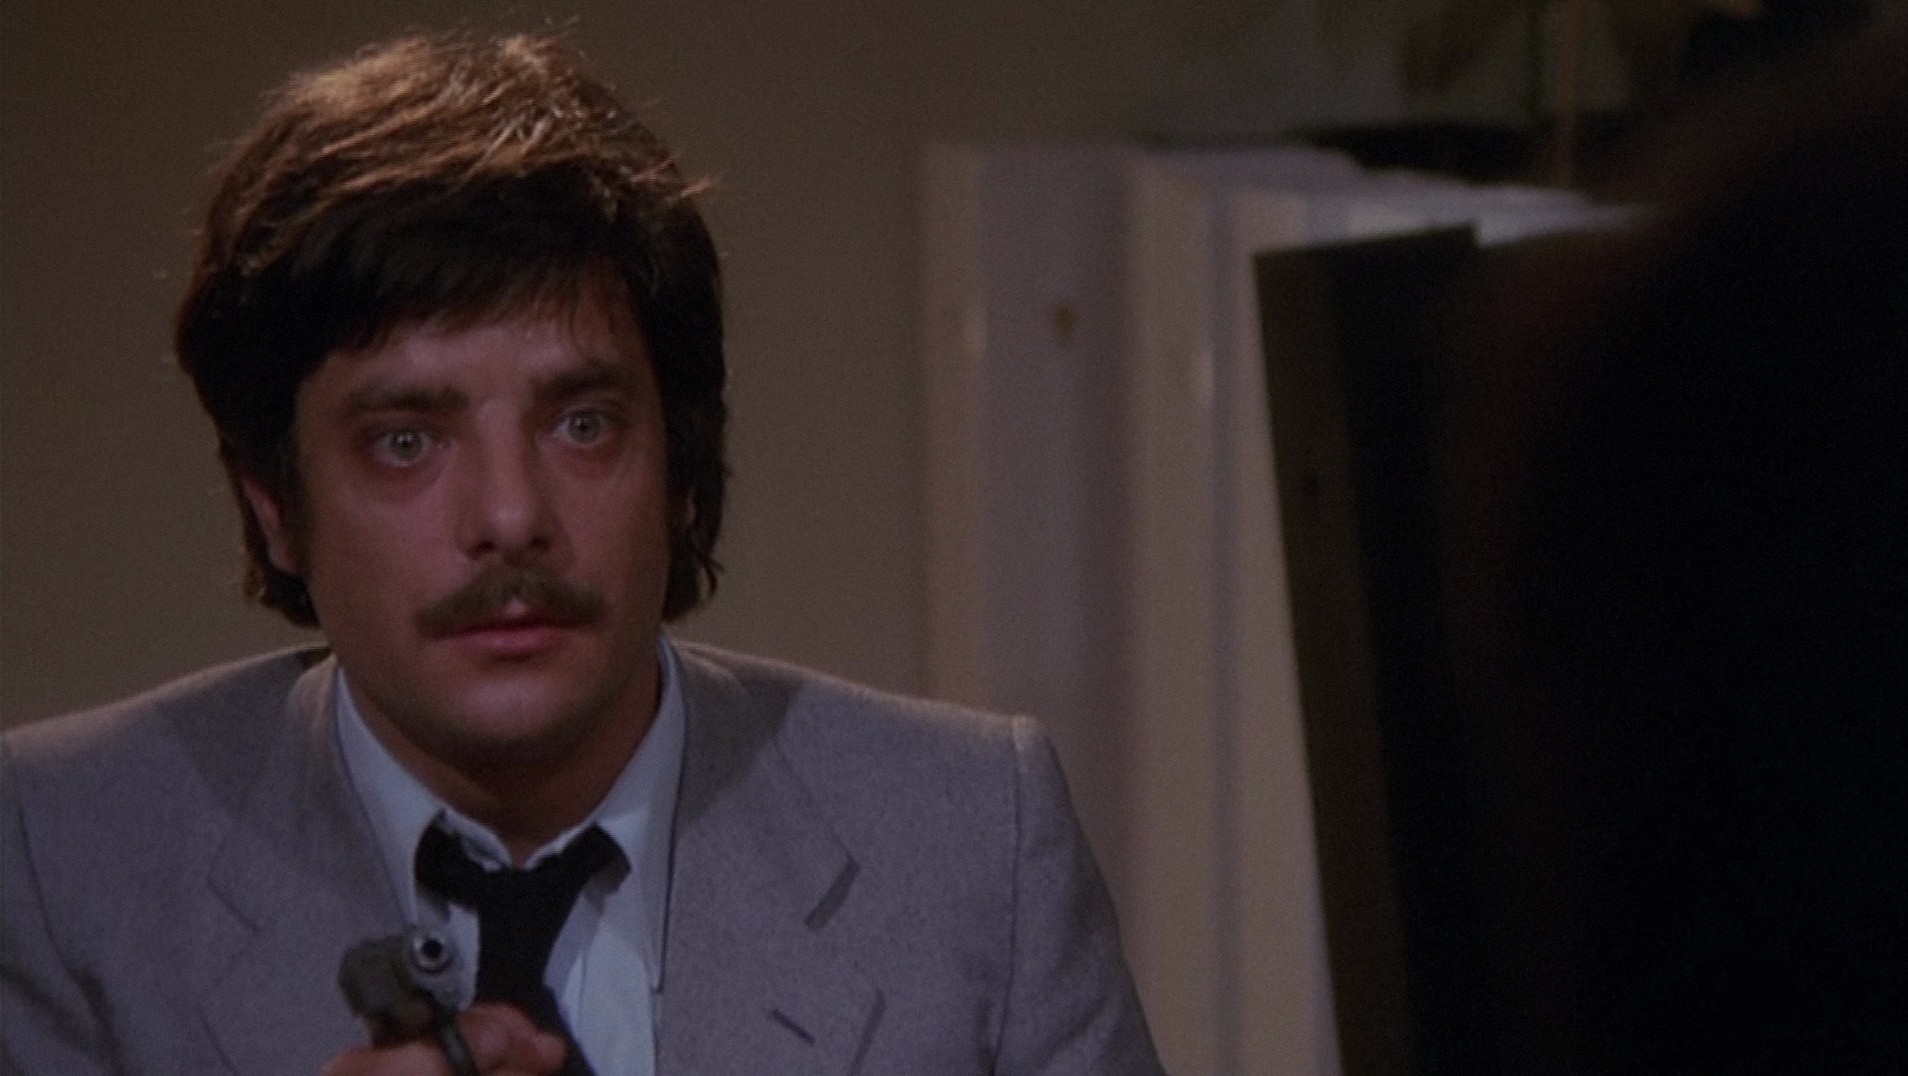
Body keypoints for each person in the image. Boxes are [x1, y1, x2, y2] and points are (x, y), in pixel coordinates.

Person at [0, 33, 1163, 1076]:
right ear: (275, 505)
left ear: (682, 467)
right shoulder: (58, 856)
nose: (511, 515)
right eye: (406, 441)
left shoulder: (972, 839)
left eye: (583, 423)